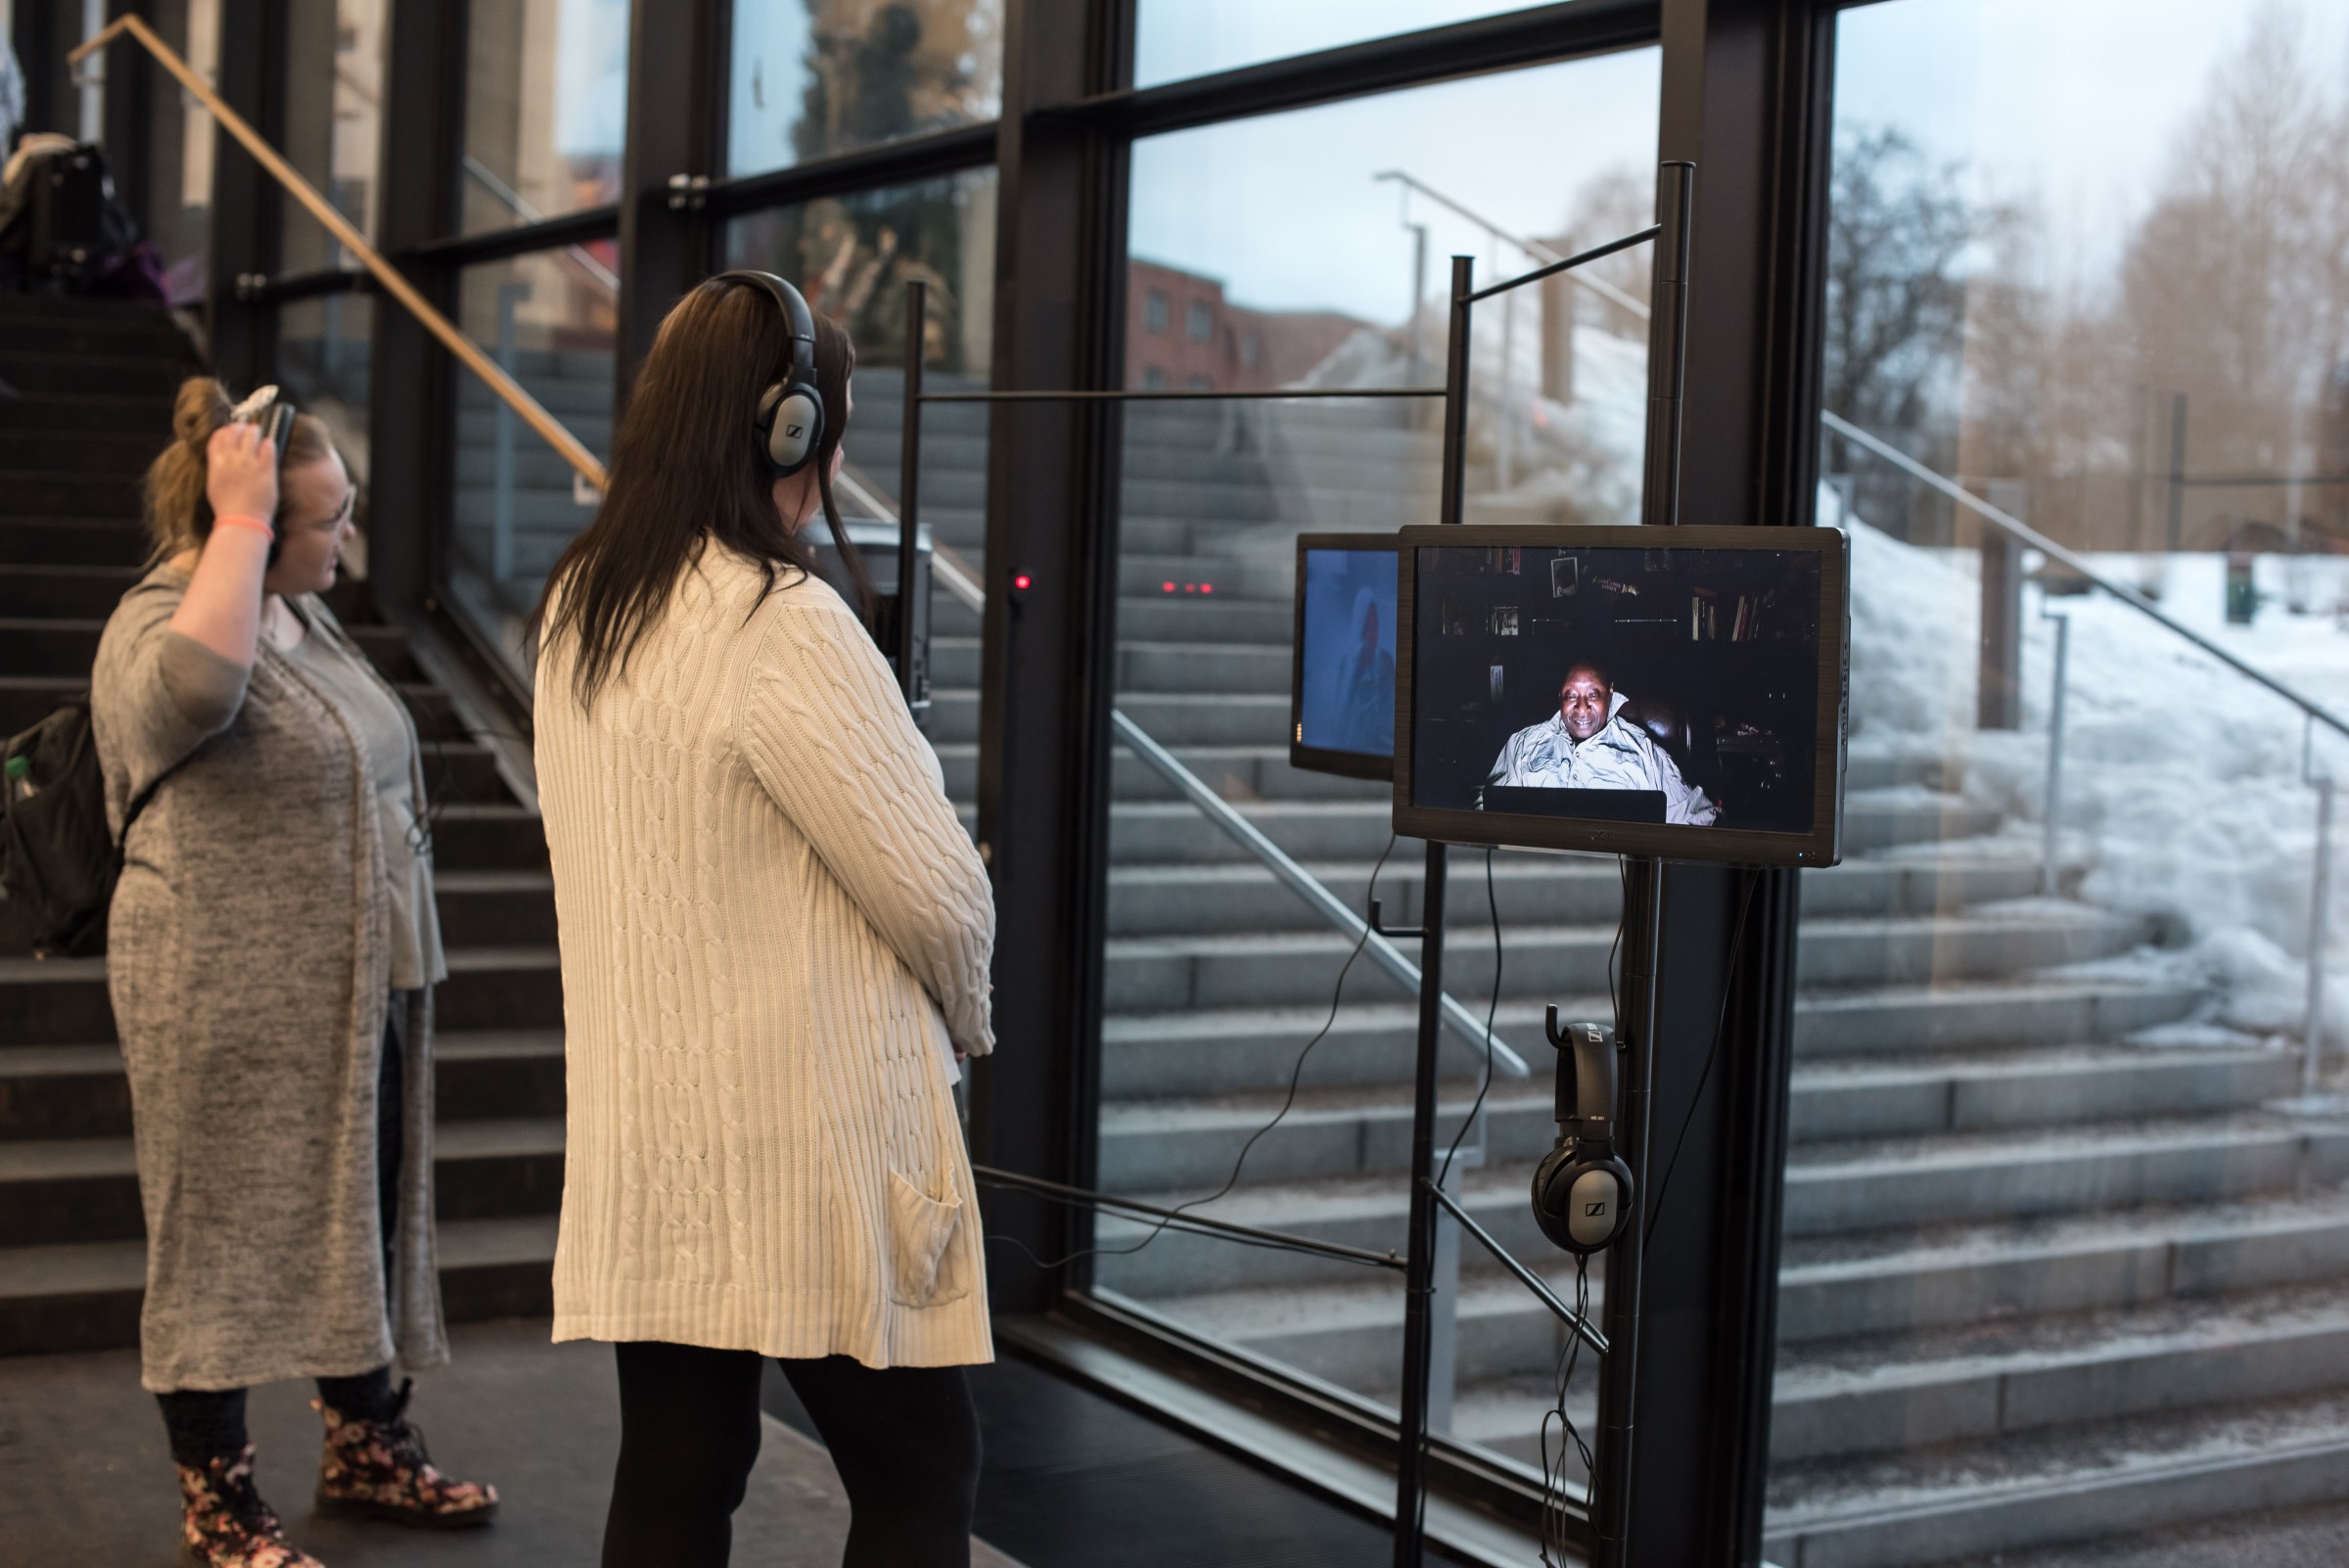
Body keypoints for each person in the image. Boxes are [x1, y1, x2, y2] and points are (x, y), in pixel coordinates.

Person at [530, 271, 996, 1568]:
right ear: (788, 429)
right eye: (827, 418)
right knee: (923, 1464)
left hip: (659, 1119)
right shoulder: (779, 624)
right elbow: (939, 892)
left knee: (681, 1465)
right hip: (810, 1134)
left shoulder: (583, 609)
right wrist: (975, 1019)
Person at [91, 381, 497, 1568]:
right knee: (216, 1238)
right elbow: (196, 698)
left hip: (347, 987)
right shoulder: (166, 622)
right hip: (223, 999)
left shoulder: (299, 620)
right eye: (328, 519)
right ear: (256, 522)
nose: (347, 538)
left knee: (353, 1219)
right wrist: (242, 522)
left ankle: (366, 1444)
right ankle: (218, 1495)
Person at [1487, 659, 1719, 824]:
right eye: (1571, 695)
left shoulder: (1643, 752)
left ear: (1610, 694)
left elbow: (1697, 818)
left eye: (1593, 695)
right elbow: (1486, 813)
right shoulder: (1523, 744)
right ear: (1560, 696)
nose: (1581, 707)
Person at [1329, 585, 1395, 754]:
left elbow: (1391, 718)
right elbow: (1338, 724)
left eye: (1375, 627)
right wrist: (1355, 672)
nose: (1372, 635)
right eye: (1366, 629)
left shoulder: (1386, 662)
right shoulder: (1347, 665)